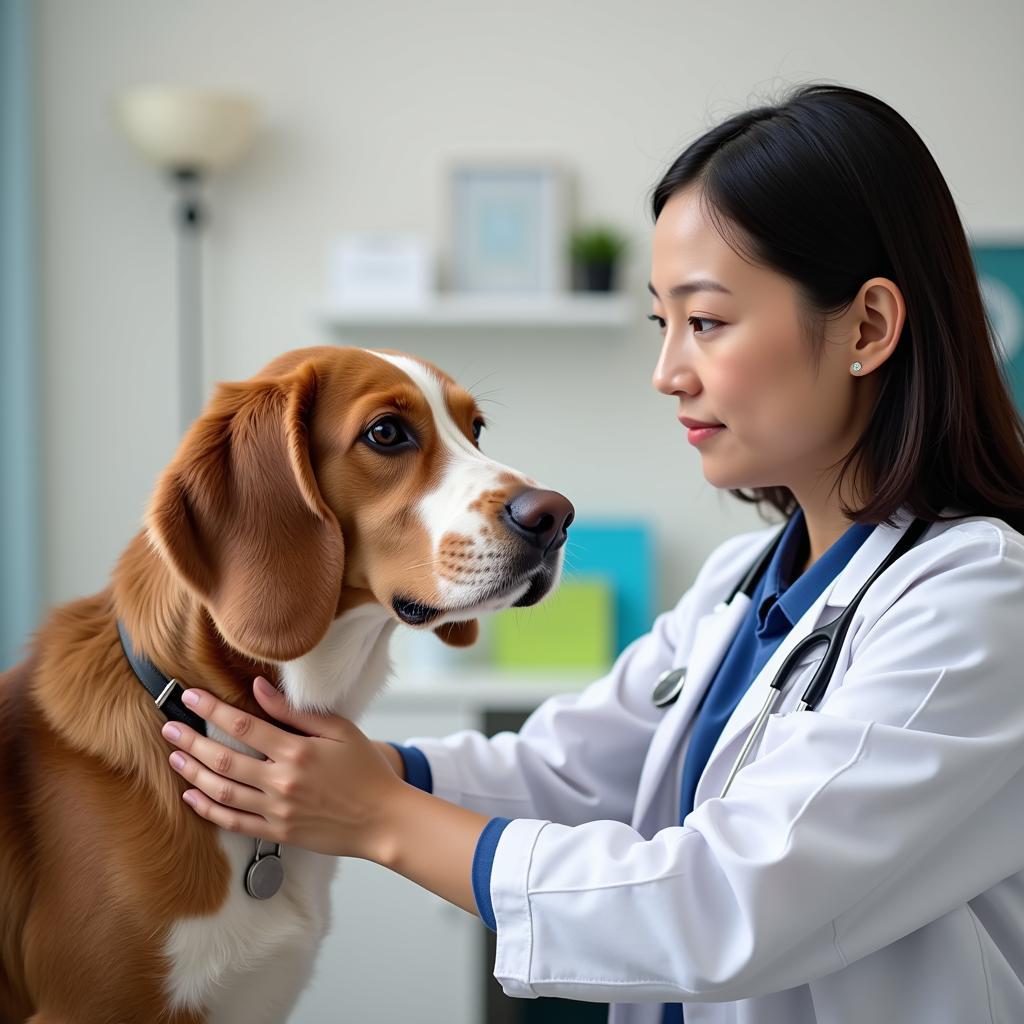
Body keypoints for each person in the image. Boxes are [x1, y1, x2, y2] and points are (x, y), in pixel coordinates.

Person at [160, 82, 1024, 1023]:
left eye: (706, 321)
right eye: (663, 325)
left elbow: (724, 908)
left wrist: (379, 818)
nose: (667, 373)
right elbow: (570, 774)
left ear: (867, 328)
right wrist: (362, 771)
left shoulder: (980, 604)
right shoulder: (741, 589)